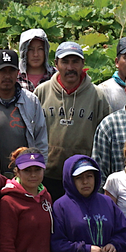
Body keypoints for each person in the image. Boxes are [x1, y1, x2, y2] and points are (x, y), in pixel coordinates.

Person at [35, 41, 111, 200]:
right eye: (65, 62)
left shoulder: (97, 96)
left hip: (82, 176)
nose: (70, 67)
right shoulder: (41, 92)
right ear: (56, 64)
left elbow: (105, 138)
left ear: (83, 63)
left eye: (75, 61)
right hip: (47, 174)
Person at [0, 48, 47, 178]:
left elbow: (41, 140)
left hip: (25, 175)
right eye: (2, 71)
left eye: (11, 71)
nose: (7, 76)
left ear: (18, 73)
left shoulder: (31, 100)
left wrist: (39, 170)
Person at [18, 28, 55, 92]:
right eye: (30, 49)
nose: (35, 54)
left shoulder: (55, 75)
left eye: (40, 49)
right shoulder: (15, 76)